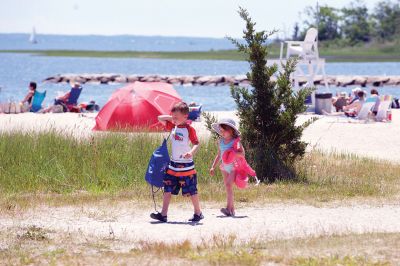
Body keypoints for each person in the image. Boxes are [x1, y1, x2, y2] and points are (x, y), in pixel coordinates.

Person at [150, 102, 203, 223]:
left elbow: (196, 143)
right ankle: (163, 215)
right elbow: (160, 118)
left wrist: (191, 152)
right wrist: (173, 118)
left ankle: (198, 213)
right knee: (167, 188)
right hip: (173, 165)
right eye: (173, 117)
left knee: (191, 190)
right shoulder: (173, 127)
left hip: (186, 166)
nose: (174, 119)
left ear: (186, 116)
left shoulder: (189, 129)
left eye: (177, 117)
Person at [209, 118, 244, 217]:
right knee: (228, 187)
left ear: (231, 131)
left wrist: (234, 153)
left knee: (228, 185)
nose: (222, 132)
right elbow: (219, 155)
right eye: (221, 130)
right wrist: (213, 166)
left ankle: (228, 208)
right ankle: (231, 210)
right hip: (224, 167)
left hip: (233, 166)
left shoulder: (235, 141)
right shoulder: (221, 141)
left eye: (224, 130)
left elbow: (242, 154)